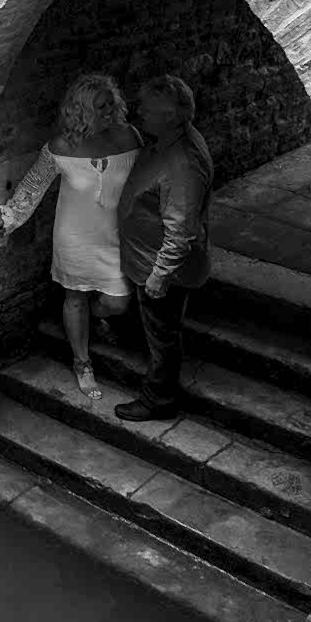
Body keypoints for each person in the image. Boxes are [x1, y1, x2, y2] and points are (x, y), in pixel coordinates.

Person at [0, 74, 142, 399]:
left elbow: (145, 180)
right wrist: (9, 217)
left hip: (116, 238)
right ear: (81, 111)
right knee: (74, 297)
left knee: (117, 302)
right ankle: (82, 363)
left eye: (110, 104)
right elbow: (33, 186)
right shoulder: (61, 147)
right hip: (75, 238)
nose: (108, 112)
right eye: (99, 107)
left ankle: (97, 317)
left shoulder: (130, 137)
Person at [113, 75, 213, 422]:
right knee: (157, 330)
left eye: (147, 109)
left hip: (159, 268)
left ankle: (159, 398)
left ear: (170, 116)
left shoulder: (182, 163)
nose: (139, 112)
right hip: (142, 258)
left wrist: (160, 276)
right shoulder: (167, 140)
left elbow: (181, 230)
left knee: (163, 336)